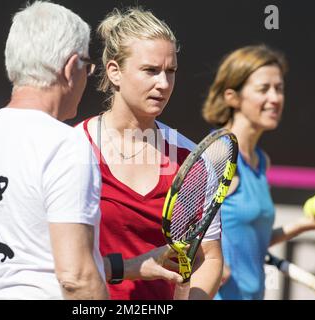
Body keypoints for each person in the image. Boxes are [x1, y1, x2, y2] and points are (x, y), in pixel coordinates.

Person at [0, 1, 182, 300]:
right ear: (69, 67)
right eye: (87, 67)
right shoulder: (67, 144)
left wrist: (124, 267)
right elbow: (76, 278)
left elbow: (22, 259)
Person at [76, 7, 223, 300]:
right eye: (150, 71)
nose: (164, 84)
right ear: (114, 72)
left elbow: (210, 258)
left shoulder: (191, 159)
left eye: (170, 71)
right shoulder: (73, 148)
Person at [201, 44, 315, 300]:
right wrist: (206, 262)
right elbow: (179, 231)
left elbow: (251, 242)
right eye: (263, 89)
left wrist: (307, 225)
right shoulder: (218, 153)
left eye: (279, 89)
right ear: (232, 97)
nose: (275, 98)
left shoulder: (261, 161)